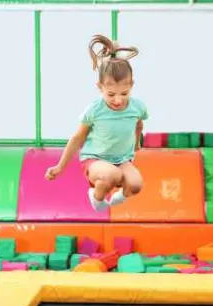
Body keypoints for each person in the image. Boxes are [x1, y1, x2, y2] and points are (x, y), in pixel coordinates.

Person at [44, 34, 148, 211]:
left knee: (136, 185)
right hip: (95, 160)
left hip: (122, 160)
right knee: (112, 175)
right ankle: (97, 197)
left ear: (132, 85)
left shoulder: (137, 107)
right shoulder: (95, 110)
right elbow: (77, 138)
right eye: (111, 94)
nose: (117, 100)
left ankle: (118, 197)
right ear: (100, 87)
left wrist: (137, 143)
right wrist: (60, 166)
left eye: (124, 93)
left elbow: (138, 125)